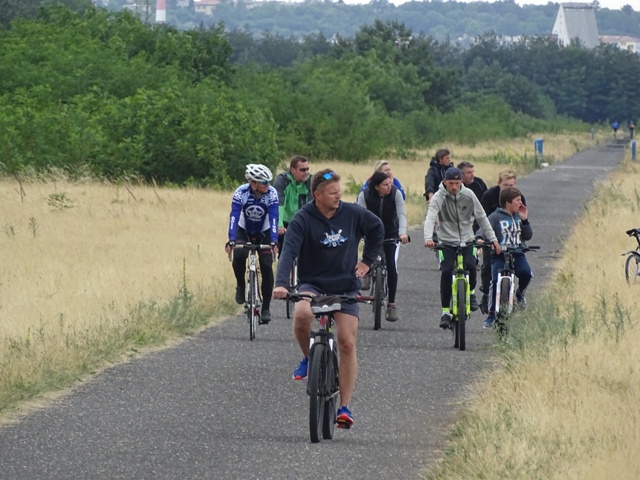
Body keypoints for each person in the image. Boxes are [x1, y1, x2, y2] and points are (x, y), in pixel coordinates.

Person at [273, 169, 384, 429]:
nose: (338, 196)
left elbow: (377, 228)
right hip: (313, 284)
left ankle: (344, 407)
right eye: (333, 193)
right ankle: (309, 358)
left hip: (345, 286)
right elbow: (288, 251)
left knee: (347, 342)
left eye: (339, 192)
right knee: (302, 315)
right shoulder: (303, 219)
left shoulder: (353, 213)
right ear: (318, 195)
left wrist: (367, 261)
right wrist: (280, 284)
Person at [423, 168, 500, 329]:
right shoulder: (439, 197)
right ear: (444, 182)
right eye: (450, 183)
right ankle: (445, 311)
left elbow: (482, 217)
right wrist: (428, 238)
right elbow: (430, 217)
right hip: (446, 242)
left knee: (471, 265)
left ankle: (470, 293)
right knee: (446, 271)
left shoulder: (469, 195)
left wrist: (493, 239)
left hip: (467, 240)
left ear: (461, 182)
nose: (454, 187)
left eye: (457, 183)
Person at [225, 164, 279, 324]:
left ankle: (266, 308)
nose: (268, 185)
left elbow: (274, 217)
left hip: (264, 231)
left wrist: (274, 240)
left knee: (267, 265)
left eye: (269, 182)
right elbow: (234, 216)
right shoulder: (240, 192)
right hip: (244, 229)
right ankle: (241, 285)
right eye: (264, 182)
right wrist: (231, 239)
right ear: (253, 183)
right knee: (239, 255)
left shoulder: (272, 193)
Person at [356, 171, 410, 322]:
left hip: (390, 233)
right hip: (371, 234)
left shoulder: (395, 193)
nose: (389, 187)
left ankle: (391, 304)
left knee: (391, 266)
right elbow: (360, 215)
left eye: (390, 184)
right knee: (368, 258)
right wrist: (360, 233)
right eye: (385, 185)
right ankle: (366, 274)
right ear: (376, 186)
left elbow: (401, 214)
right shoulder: (365, 195)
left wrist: (402, 233)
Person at [478, 186, 533, 329]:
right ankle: (491, 313)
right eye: (518, 200)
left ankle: (519, 295)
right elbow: (483, 230)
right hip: (500, 256)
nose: (521, 203)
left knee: (526, 273)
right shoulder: (495, 217)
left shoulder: (519, 216)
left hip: (517, 253)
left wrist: (525, 220)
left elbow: (528, 236)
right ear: (508, 202)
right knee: (495, 281)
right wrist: (480, 239)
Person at [273, 155, 313, 253]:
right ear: (292, 170)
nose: (306, 172)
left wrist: (330, 175)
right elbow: (279, 204)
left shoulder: (310, 181)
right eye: (302, 170)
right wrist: (279, 225)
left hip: (301, 221)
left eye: (307, 169)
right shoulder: (282, 180)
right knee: (284, 252)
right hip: (285, 222)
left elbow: (312, 206)